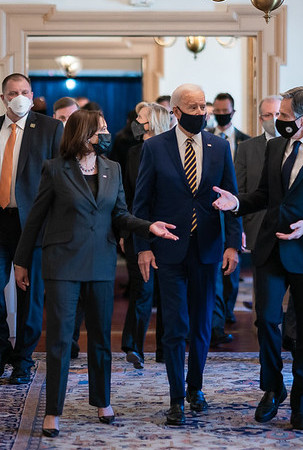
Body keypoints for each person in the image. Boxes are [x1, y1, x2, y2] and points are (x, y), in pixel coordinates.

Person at [13, 109, 178, 437]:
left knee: (102, 338)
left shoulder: (112, 169)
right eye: (100, 129)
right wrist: (21, 261)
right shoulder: (54, 169)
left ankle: (102, 401)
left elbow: (120, 214)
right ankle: (53, 411)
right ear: (82, 133)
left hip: (101, 264)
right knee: (60, 340)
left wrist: (149, 227)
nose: (105, 134)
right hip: (62, 263)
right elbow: (35, 218)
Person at [213, 86, 303, 430]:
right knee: (265, 321)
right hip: (270, 249)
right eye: (277, 115)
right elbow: (263, 194)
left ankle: (301, 405)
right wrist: (237, 203)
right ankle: (273, 388)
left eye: (285, 116)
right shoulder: (276, 146)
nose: (279, 121)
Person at [132, 83, 241, 426]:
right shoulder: (155, 148)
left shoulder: (220, 147)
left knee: (203, 325)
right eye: (192, 108)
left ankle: (196, 389)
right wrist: (143, 248)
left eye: (203, 107)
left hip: (208, 249)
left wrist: (232, 244)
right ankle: (177, 398)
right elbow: (141, 203)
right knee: (175, 326)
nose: (201, 113)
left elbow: (231, 199)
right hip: (169, 249)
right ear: (176, 112)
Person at [0, 73, 63, 384]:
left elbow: (59, 179)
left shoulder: (50, 128)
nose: (19, 97)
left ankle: (23, 359)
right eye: (13, 92)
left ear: (32, 95)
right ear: (3, 98)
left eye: (25, 91)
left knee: (31, 295)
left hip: (34, 225)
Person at [120, 102, 173, 369]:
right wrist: (124, 229)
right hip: (138, 229)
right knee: (142, 288)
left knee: (166, 290)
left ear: (153, 121)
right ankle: (133, 346)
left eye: (140, 117)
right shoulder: (133, 153)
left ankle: (165, 349)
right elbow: (127, 196)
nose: (136, 121)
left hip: (168, 231)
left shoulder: (172, 151)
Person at [206, 92, 251, 343]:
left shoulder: (247, 142)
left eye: (226, 111)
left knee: (232, 273)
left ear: (233, 112)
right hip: (212, 211)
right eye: (218, 111)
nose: (222, 115)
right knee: (214, 270)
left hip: (238, 211)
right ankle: (216, 322)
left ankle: (226, 312)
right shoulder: (207, 138)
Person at [233, 95, 281, 311]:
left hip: (292, 229)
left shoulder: (302, 146)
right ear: (261, 119)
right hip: (258, 228)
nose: (275, 119)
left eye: (279, 114)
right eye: (269, 115)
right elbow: (239, 191)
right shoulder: (247, 148)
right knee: (264, 294)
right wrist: (239, 228)